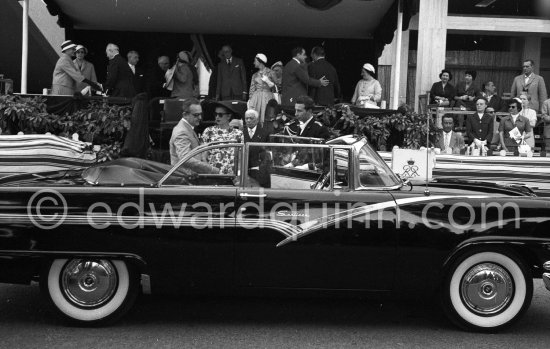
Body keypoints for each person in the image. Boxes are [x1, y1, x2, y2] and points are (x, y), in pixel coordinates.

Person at [169, 98, 219, 173]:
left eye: (200, 114)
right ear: (185, 115)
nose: (200, 118)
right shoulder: (181, 131)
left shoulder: (187, 128)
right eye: (196, 115)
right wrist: (211, 169)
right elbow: (186, 159)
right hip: (185, 178)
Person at [201, 102, 244, 174]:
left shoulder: (238, 133)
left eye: (220, 115)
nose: (217, 117)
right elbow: (203, 156)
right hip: (212, 174)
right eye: (215, 114)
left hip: (231, 174)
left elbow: (240, 158)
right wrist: (208, 171)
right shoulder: (208, 131)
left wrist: (238, 174)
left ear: (229, 116)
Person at [244, 109, 272, 187]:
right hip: (244, 170)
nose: (248, 120)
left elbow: (268, 153)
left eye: (251, 118)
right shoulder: (240, 132)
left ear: (257, 120)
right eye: (246, 118)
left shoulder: (265, 133)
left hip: (259, 172)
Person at [248, 53, 275, 123]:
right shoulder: (255, 75)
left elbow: (277, 87)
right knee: (255, 116)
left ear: (260, 61)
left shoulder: (271, 72)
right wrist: (250, 100)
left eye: (255, 61)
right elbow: (252, 89)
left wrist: (268, 82)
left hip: (268, 97)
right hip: (256, 98)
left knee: (267, 115)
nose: (254, 63)